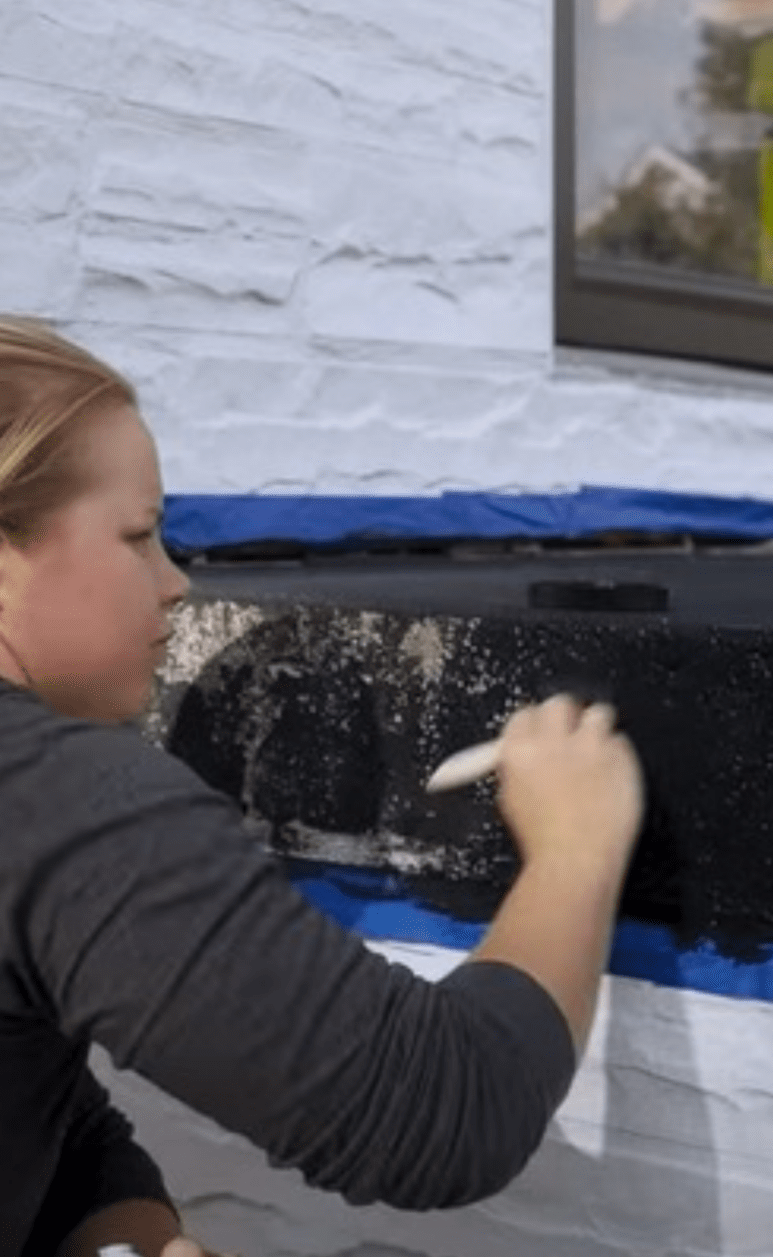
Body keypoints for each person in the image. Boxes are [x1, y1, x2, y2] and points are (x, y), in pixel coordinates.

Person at [0, 317, 646, 1257]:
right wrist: (577, 847)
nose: (174, 581)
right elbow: (447, 1109)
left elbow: (33, 1089)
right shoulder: (65, 804)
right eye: (138, 535)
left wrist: (126, 1228)